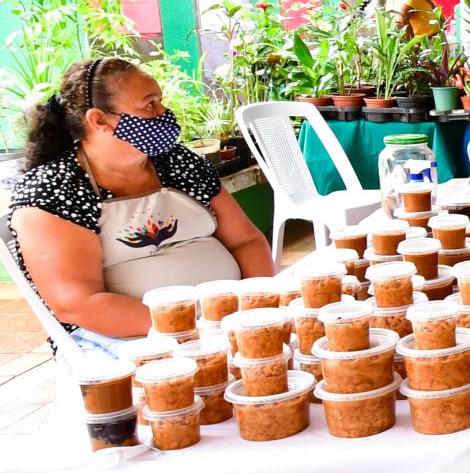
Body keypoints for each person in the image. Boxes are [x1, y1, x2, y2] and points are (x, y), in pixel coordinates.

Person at [8, 58, 274, 350]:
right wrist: (192, 328)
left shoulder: (178, 163)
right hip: (130, 340)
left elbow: (246, 241)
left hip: (225, 322)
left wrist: (254, 305)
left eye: (161, 101)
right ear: (99, 121)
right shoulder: (54, 190)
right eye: (150, 105)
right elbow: (78, 303)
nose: (164, 114)